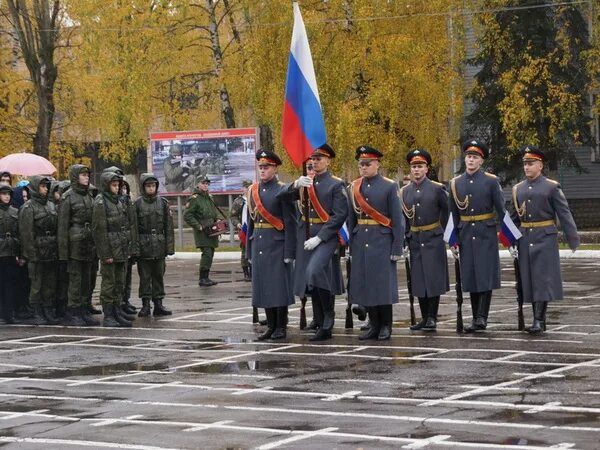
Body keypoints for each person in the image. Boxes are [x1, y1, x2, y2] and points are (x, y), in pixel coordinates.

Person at [279, 144, 348, 341]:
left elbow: (340, 215)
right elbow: (281, 196)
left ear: (328, 161)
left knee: (315, 271)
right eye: (313, 159)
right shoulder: (306, 182)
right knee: (310, 279)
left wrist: (320, 237)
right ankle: (319, 319)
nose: (315, 162)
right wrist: (295, 184)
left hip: (325, 237)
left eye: (319, 159)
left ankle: (328, 318)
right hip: (306, 236)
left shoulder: (336, 184)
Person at [512, 146, 580, 334]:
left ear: (540, 165)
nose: (527, 167)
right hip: (525, 238)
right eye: (525, 164)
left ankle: (539, 320)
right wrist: (507, 238)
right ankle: (536, 318)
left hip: (545, 238)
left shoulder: (551, 187)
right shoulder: (518, 189)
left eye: (531, 163)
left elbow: (564, 213)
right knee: (530, 280)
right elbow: (514, 217)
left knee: (542, 279)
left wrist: (572, 238)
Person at [347, 146, 404, 340]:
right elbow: (351, 219)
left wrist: (397, 246)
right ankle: (374, 325)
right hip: (361, 240)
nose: (363, 167)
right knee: (365, 285)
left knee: (382, 285)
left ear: (377, 164)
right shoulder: (355, 187)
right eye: (361, 164)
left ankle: (386, 325)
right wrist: (350, 244)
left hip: (381, 240)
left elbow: (397, 218)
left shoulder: (389, 186)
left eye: (367, 164)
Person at [449, 139, 505, 332]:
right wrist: (453, 238)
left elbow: (501, 210)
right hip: (465, 234)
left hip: (485, 232)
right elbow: (453, 214)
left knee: (485, 275)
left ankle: (481, 317)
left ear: (481, 161)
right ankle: (475, 317)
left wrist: (510, 237)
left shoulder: (491, 181)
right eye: (468, 156)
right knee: (471, 276)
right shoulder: (456, 183)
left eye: (475, 157)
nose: (470, 160)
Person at [246, 150, 295, 340]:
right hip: (259, 243)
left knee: (278, 287)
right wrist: (249, 250)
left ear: (275, 168)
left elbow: (290, 223)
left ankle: (281, 326)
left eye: (266, 167)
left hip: (277, 244)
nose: (263, 171)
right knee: (264, 287)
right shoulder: (254, 190)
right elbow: (251, 222)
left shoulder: (282, 190)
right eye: (261, 167)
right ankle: (271, 325)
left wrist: (289, 251)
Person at [401, 149, 449, 331]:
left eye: (420, 166)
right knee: (419, 280)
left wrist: (442, 231)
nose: (416, 170)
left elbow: (447, 211)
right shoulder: (405, 191)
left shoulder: (437, 189)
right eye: (413, 167)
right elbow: (404, 218)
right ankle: (423, 318)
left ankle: (432, 317)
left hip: (433, 238)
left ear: (427, 169)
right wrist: (405, 238)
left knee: (433, 278)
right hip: (415, 238)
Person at [92, 171, 138, 327]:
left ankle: (117, 311)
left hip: (121, 249)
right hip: (110, 250)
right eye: (114, 185)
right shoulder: (100, 202)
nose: (117, 188)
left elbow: (125, 226)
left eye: (118, 185)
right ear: (106, 185)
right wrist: (105, 254)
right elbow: (100, 231)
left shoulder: (118, 201)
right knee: (109, 284)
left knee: (119, 282)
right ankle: (109, 315)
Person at [57, 165, 99, 326]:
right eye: (82, 175)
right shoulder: (68, 197)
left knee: (86, 280)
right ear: (75, 177)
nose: (86, 177)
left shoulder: (89, 196)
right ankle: (73, 311)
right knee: (75, 280)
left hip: (88, 243)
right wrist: (63, 253)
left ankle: (83, 309)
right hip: (75, 244)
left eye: (87, 174)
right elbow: (62, 227)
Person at [19, 175, 60, 325]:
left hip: (50, 250)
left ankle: (47, 309)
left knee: (50, 283)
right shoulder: (28, 208)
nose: (45, 189)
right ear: (36, 188)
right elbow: (26, 234)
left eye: (46, 186)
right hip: (37, 251)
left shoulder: (50, 205)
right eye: (42, 186)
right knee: (37, 284)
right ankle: (36, 311)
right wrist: (32, 254)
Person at [134, 173, 175, 317]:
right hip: (144, 245)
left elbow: (168, 227)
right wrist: (136, 249)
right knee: (145, 276)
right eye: (148, 186)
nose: (151, 188)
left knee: (158, 275)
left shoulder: (162, 203)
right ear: (143, 187)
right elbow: (134, 228)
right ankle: (145, 305)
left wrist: (169, 247)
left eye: (153, 186)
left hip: (159, 244)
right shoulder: (137, 204)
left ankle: (158, 303)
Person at [184, 175, 220, 286]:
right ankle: (202, 278)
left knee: (211, 253)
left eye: (207, 183)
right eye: (203, 183)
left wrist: (217, 218)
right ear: (198, 184)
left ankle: (206, 277)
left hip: (212, 229)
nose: (206, 185)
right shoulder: (194, 199)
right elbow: (188, 215)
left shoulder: (209, 197)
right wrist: (198, 226)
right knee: (207, 253)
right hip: (202, 230)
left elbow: (213, 211)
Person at [0, 184, 21, 324]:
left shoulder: (15, 211)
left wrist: (20, 252)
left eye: (8, 194)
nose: (7, 196)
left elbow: (20, 233)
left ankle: (9, 313)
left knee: (10, 284)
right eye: (3, 194)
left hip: (11, 251)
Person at [230, 179, 253, 282]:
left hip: (255, 228)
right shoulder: (239, 201)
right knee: (244, 251)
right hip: (244, 229)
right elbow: (233, 216)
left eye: (249, 187)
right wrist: (237, 224)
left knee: (254, 250)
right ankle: (246, 273)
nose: (248, 189)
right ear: (242, 188)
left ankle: (253, 271)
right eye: (246, 187)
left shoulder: (255, 198)